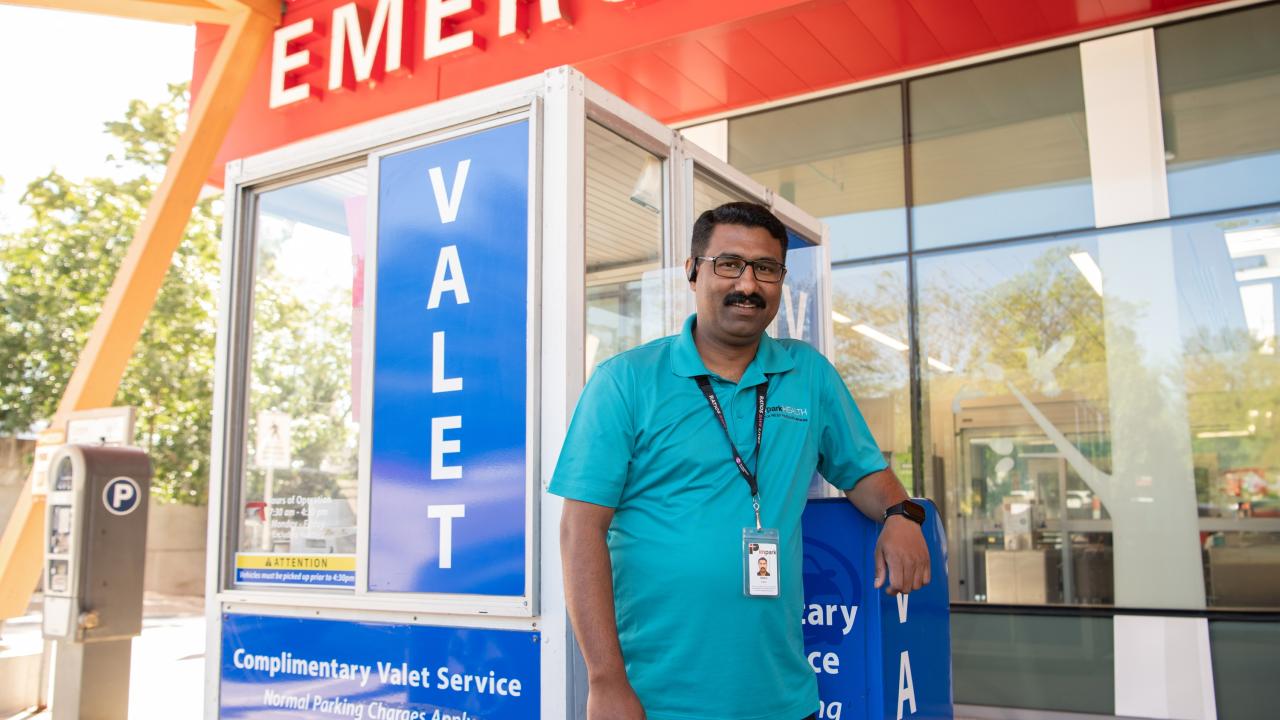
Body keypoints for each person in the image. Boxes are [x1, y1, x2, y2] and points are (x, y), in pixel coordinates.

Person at [551, 202, 930, 720]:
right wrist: (606, 681)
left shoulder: (808, 375)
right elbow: (580, 531)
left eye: (766, 269)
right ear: (692, 271)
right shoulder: (626, 380)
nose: (748, 284)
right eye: (728, 264)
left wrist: (901, 514)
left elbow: (863, 472)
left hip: (783, 699)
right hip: (654, 701)